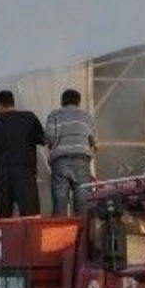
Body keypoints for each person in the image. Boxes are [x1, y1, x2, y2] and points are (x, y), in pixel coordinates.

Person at [0, 89, 46, 217]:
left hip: (4, 176)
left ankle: (9, 237)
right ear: (13, 103)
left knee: (5, 218)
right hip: (25, 174)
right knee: (30, 217)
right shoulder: (29, 117)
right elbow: (42, 139)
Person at [44, 88, 97, 216]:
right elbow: (94, 143)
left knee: (60, 202)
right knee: (82, 204)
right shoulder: (87, 117)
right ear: (78, 101)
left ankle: (58, 234)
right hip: (81, 161)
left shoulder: (54, 115)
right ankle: (81, 234)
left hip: (60, 162)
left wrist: (53, 146)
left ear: (62, 101)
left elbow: (48, 138)